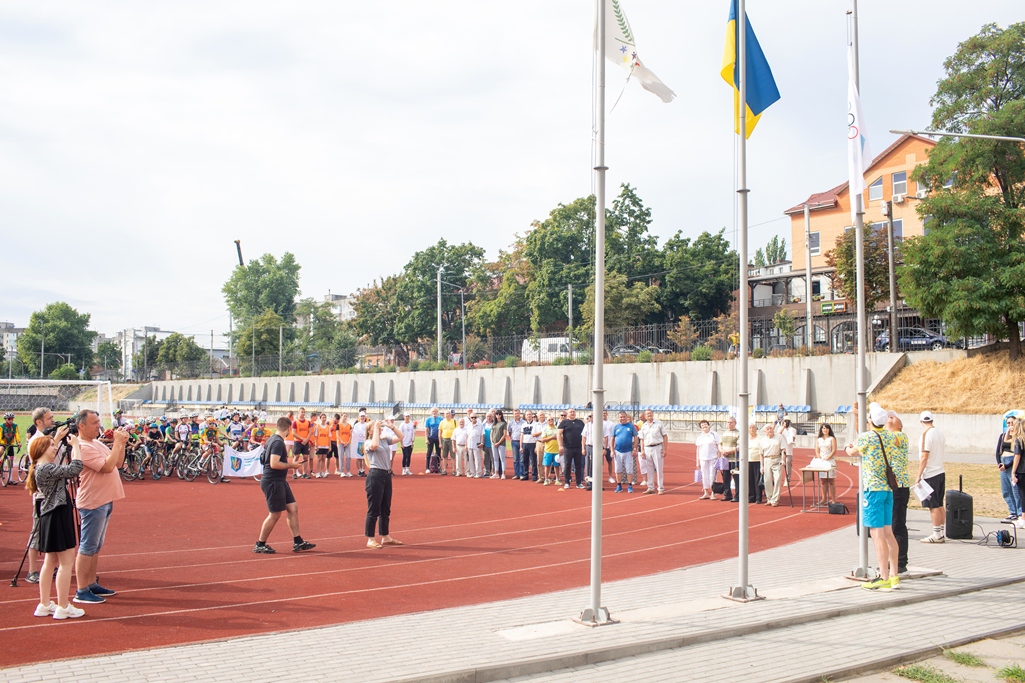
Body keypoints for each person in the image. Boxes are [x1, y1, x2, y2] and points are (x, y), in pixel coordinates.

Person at [26, 435, 85, 619]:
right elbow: (75, 468)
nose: (54, 448)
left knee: (50, 562)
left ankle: (45, 604)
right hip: (58, 514)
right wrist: (76, 445)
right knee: (66, 563)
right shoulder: (46, 468)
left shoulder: (40, 468)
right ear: (42, 449)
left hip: (50, 515)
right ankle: (63, 605)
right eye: (51, 445)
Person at [73, 409, 128, 605]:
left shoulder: (95, 443)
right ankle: (81, 590)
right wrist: (117, 444)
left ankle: (90, 582)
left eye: (98, 421)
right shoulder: (82, 447)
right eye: (94, 422)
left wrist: (120, 444)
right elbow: (105, 467)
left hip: (104, 500)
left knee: (96, 545)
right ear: (82, 426)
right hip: (92, 502)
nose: (99, 425)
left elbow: (117, 463)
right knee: (87, 546)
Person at [845, 403, 901, 591]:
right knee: (888, 532)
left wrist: (849, 447)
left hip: (873, 489)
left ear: (870, 421)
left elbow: (852, 452)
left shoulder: (867, 437)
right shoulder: (890, 437)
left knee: (876, 534)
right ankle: (894, 575)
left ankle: (883, 576)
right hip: (887, 489)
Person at [253, 417, 316, 554]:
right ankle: (260, 544)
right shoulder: (278, 443)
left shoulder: (272, 439)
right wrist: (292, 465)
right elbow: (274, 463)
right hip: (273, 481)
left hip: (279, 481)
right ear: (288, 428)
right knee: (275, 514)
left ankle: (298, 541)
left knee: (292, 508)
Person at [363, 420, 403, 549]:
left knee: (385, 508)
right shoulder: (368, 442)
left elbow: (401, 437)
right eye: (376, 428)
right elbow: (374, 445)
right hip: (375, 476)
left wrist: (392, 427)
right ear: (370, 431)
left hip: (386, 475)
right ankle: (370, 539)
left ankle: (385, 536)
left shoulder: (385, 440)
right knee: (374, 509)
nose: (380, 429)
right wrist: (375, 428)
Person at [886, 412, 911, 574]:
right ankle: (892, 559)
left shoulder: (901, 436)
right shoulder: (887, 436)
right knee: (890, 525)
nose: (889, 418)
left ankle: (901, 562)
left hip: (899, 487)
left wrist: (884, 426)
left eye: (893, 418)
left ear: (900, 425)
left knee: (897, 524)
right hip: (889, 487)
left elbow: (888, 438)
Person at [916, 411, 947, 544]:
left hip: (930, 474)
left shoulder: (926, 435)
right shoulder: (939, 433)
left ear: (921, 422)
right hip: (940, 471)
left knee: (933, 505)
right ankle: (940, 532)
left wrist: (918, 475)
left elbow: (924, 456)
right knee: (939, 503)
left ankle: (936, 534)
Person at [997, 414, 1021, 521]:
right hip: (1003, 461)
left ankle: (1020, 512)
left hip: (1011, 463)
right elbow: (998, 451)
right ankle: (1012, 511)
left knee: (1015, 489)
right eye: (1008, 423)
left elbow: (1017, 455)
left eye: (1012, 423)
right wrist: (1000, 464)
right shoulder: (1003, 436)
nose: (1010, 425)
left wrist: (1007, 465)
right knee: (1005, 490)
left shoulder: (1017, 437)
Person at [639, 409, 668, 495]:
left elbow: (665, 436)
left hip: (657, 447)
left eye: (650, 413)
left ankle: (660, 488)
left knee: (659, 469)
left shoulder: (659, 424)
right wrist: (642, 451)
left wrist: (665, 449)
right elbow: (642, 439)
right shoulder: (643, 426)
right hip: (647, 448)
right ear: (645, 416)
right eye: (647, 414)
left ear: (653, 414)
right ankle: (650, 487)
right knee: (649, 469)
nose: (649, 415)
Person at [557, 409, 585, 490]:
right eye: (570, 412)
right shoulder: (564, 422)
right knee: (567, 465)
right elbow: (558, 434)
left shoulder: (580, 422)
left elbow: (584, 434)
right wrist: (560, 445)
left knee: (579, 465)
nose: (572, 413)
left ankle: (579, 483)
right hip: (567, 447)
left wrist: (583, 446)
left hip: (578, 447)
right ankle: (567, 482)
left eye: (573, 412)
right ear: (567, 414)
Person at [759, 424, 786, 507]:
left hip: (777, 459)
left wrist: (783, 460)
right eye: (767, 429)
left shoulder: (779, 437)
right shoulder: (762, 440)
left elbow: (783, 449)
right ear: (765, 431)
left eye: (771, 428)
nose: (770, 430)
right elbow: (761, 454)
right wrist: (762, 466)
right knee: (767, 480)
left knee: (777, 479)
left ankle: (775, 499)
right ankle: (769, 498)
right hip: (767, 459)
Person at [612, 411, 638, 494]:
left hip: (628, 451)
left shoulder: (631, 426)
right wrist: (612, 450)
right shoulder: (616, 427)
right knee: (618, 469)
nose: (622, 418)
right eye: (621, 417)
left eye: (624, 417)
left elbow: (636, 437)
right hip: (618, 451)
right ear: (618, 418)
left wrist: (634, 449)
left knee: (629, 469)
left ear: (626, 417)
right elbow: (612, 439)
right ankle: (619, 485)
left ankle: (630, 485)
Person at [695, 419, 721, 500]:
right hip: (703, 458)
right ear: (701, 428)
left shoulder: (714, 434)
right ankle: (706, 492)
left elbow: (719, 446)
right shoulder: (700, 436)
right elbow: (698, 449)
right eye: (702, 425)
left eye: (705, 424)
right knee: (704, 476)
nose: (704, 426)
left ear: (709, 425)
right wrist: (697, 461)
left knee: (712, 475)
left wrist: (718, 458)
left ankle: (713, 493)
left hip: (713, 458)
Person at [816, 423, 838, 505]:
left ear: (829, 430)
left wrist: (828, 458)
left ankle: (833, 499)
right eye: (824, 428)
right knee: (823, 481)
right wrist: (820, 459)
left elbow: (834, 450)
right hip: (822, 462)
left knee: (831, 480)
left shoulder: (832, 439)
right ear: (821, 429)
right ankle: (824, 498)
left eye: (827, 428)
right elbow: (817, 451)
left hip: (830, 461)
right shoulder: (818, 440)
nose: (825, 430)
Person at [719, 417, 740, 502]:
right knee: (725, 477)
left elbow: (739, 447)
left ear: (735, 423)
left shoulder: (738, 433)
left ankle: (738, 495)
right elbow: (719, 444)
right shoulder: (724, 433)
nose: (729, 424)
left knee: (736, 478)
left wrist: (729, 451)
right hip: (724, 459)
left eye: (731, 422)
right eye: (728, 422)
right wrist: (722, 451)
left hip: (734, 459)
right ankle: (727, 494)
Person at [291, 408, 313, 480]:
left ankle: (304, 473)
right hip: (298, 442)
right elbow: (293, 433)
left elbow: (310, 431)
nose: (303, 413)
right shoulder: (295, 422)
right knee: (296, 456)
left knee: (305, 457)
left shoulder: (308, 422)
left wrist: (306, 439)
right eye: (302, 412)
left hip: (305, 442)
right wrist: (302, 439)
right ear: (298, 413)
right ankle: (294, 473)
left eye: (304, 412)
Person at [539, 415, 559, 486]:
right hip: (548, 450)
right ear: (547, 421)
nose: (551, 421)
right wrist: (552, 437)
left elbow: (561, 438)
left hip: (557, 450)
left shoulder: (557, 428)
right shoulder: (545, 429)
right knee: (547, 465)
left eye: (552, 419)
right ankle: (546, 479)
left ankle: (557, 479)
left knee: (557, 466)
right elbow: (543, 440)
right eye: (549, 420)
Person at [1012, 421, 1025, 529]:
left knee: (1022, 495)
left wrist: (1013, 472)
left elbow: (1017, 456)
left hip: (1022, 470)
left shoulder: (1019, 440)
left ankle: (1023, 519)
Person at [508, 409, 526, 480]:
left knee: (522, 459)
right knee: (515, 459)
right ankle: (516, 474)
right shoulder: (511, 423)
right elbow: (510, 432)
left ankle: (522, 474)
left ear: (520, 414)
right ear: (513, 415)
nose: (516, 415)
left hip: (522, 442)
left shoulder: (524, 422)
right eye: (515, 414)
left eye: (518, 413)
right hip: (514, 442)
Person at [424, 407, 442, 475]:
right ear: (431, 412)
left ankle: (438, 467)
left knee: (438, 453)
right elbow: (426, 429)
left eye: (435, 411)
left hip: (438, 438)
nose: (434, 412)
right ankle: (427, 468)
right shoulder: (428, 419)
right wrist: (426, 439)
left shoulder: (440, 419)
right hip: (430, 438)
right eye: (433, 411)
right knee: (429, 453)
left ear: (437, 412)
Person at [466, 413, 484, 478]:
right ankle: (472, 473)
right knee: (470, 460)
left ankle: (478, 473)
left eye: (475, 417)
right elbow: (467, 436)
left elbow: (482, 435)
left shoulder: (480, 425)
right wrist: (466, 445)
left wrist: (482, 443)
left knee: (477, 459)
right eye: (472, 417)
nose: (473, 418)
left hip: (477, 445)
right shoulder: (468, 426)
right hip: (469, 444)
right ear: (470, 418)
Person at [439, 410, 457, 476]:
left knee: (453, 455)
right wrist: (440, 442)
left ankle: (454, 470)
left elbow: (457, 431)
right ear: (444, 415)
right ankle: (444, 470)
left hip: (452, 440)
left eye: (449, 413)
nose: (448, 414)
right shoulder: (442, 422)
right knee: (444, 455)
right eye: (446, 413)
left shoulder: (454, 422)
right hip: (444, 439)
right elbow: (440, 433)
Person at [521, 411, 538, 481]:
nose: (528, 416)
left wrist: (536, 446)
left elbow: (537, 436)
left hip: (532, 443)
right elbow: (521, 435)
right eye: (527, 415)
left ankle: (534, 475)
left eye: (530, 414)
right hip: (525, 443)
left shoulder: (536, 424)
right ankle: (525, 474)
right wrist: (521, 446)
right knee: (525, 460)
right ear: (525, 416)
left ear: (532, 416)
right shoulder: (523, 425)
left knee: (533, 461)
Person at [313, 413, 332, 478]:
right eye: (323, 417)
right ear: (320, 418)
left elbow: (329, 437)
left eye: (325, 417)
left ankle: (322, 471)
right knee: (319, 458)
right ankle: (318, 472)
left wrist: (329, 446)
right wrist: (316, 445)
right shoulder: (317, 427)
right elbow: (315, 436)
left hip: (325, 445)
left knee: (324, 459)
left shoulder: (328, 427)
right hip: (319, 445)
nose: (324, 419)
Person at [491, 410, 508, 479]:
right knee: (495, 459)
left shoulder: (504, 423)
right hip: (494, 443)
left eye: (499, 414)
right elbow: (491, 433)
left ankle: (503, 474)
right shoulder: (494, 423)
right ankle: (496, 473)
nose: (498, 415)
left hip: (501, 444)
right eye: (497, 414)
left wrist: (498, 442)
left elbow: (504, 435)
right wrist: (492, 441)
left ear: (501, 415)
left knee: (502, 459)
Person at [602, 410, 616, 484]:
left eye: (604, 413)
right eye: (602, 413)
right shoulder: (597, 422)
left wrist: (612, 445)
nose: (603, 414)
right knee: (599, 463)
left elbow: (613, 435)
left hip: (608, 446)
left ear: (607, 414)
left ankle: (610, 476)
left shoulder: (611, 424)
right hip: (600, 446)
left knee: (610, 461)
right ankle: (598, 476)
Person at [352, 411, 368, 477]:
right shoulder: (356, 425)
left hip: (365, 443)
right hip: (358, 443)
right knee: (358, 457)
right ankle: (359, 470)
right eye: (361, 416)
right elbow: (354, 434)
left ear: (365, 417)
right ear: (359, 417)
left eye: (363, 416)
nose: (362, 417)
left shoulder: (367, 424)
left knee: (364, 458)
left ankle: (363, 470)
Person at [336, 413, 353, 477]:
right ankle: (342, 471)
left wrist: (348, 441)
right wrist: (342, 441)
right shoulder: (338, 425)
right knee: (341, 457)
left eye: (346, 416)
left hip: (347, 443)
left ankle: (348, 471)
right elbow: (337, 434)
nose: (345, 417)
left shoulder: (349, 425)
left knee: (348, 457)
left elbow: (350, 435)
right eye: (344, 416)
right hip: (340, 443)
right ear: (341, 417)